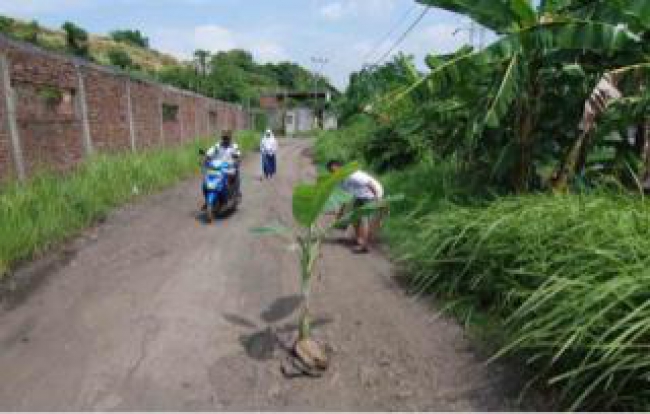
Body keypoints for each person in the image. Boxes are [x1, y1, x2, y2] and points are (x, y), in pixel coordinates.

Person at [327, 160, 384, 254]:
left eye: (337, 170)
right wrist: (340, 214)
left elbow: (370, 184)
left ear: (342, 168)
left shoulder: (353, 175)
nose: (336, 172)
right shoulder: (340, 181)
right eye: (333, 171)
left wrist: (378, 198)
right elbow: (344, 197)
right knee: (354, 217)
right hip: (360, 195)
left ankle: (363, 246)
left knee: (363, 218)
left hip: (373, 193)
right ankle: (359, 239)